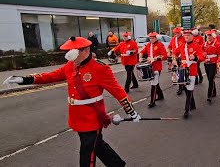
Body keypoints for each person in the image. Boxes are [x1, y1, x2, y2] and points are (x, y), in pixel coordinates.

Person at [3, 36, 141, 166]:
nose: (70, 54)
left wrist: (131, 111)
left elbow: (118, 91)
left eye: (74, 51)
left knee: (87, 153)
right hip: (76, 116)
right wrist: (23, 80)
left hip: (92, 117)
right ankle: (116, 164)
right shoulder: (70, 65)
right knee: (96, 144)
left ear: (86, 50)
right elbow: (49, 76)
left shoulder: (100, 68)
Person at [172, 29, 205, 118]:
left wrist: (195, 57)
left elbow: (202, 57)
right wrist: (174, 59)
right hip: (183, 70)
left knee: (189, 89)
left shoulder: (196, 46)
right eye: (185, 36)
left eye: (188, 35)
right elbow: (174, 52)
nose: (186, 37)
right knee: (187, 89)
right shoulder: (182, 45)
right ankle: (192, 104)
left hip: (192, 71)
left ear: (192, 36)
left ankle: (186, 110)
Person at [139, 32, 168, 108]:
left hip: (157, 67)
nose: (151, 39)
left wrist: (157, 58)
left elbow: (164, 56)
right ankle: (160, 95)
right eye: (150, 38)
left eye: (152, 38)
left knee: (153, 84)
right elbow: (142, 52)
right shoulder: (148, 45)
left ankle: (152, 101)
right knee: (155, 82)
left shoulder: (160, 45)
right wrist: (140, 57)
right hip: (150, 66)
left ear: (156, 38)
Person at [203, 30, 220, 102]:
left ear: (213, 36)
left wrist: (219, 63)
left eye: (210, 36)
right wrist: (203, 56)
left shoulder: (216, 44)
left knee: (211, 79)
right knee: (210, 79)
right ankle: (213, 92)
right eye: (208, 36)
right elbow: (201, 53)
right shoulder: (204, 44)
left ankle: (209, 95)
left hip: (213, 64)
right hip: (206, 64)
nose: (209, 37)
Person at [167, 27, 186, 95]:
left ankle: (181, 86)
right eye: (176, 33)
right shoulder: (173, 39)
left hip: (182, 57)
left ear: (181, 32)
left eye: (178, 32)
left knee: (181, 72)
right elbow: (169, 47)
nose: (177, 34)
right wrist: (169, 51)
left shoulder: (184, 38)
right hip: (175, 57)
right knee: (177, 72)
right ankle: (180, 86)